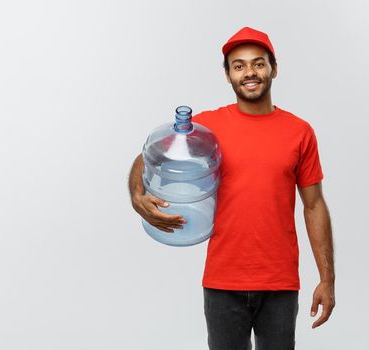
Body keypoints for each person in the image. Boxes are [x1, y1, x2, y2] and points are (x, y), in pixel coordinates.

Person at [127, 27, 335, 349]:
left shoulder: (300, 132)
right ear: (228, 75)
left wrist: (327, 278)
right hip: (222, 280)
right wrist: (137, 196)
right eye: (238, 66)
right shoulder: (207, 129)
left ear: (274, 69)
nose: (249, 72)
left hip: (279, 282)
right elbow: (147, 157)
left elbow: (314, 205)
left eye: (258, 63)